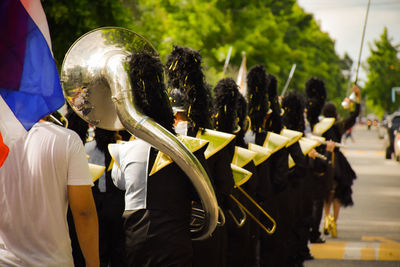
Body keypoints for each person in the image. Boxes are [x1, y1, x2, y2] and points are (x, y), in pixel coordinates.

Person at [110, 51, 197, 266]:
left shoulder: (125, 149)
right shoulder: (189, 148)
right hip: (176, 241)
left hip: (137, 241)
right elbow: (200, 195)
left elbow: (119, 183)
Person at [0, 115, 99, 267]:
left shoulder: (3, 138)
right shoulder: (66, 139)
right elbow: (83, 212)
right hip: (54, 261)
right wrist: (93, 264)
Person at [320, 84, 361, 238]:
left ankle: (326, 219)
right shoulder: (339, 125)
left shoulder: (319, 126)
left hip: (323, 158)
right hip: (339, 161)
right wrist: (355, 99)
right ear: (335, 113)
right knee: (338, 193)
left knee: (326, 192)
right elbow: (354, 116)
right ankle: (334, 224)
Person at [85, 128, 127, 267]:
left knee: (100, 248)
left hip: (96, 204)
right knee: (118, 250)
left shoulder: (87, 147)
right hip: (118, 203)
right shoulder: (123, 148)